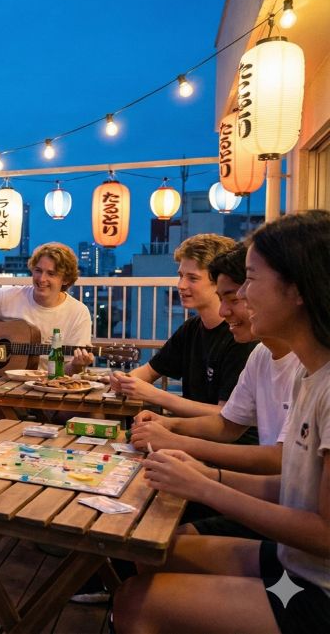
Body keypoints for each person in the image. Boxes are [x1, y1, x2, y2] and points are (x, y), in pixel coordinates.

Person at [113, 210, 330, 634]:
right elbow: (292, 485)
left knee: (136, 604)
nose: (241, 297)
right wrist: (204, 472)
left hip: (315, 589)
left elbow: (324, 534)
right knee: (151, 553)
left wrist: (204, 486)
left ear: (298, 289)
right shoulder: (309, 372)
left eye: (250, 281)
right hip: (292, 560)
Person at [130, 244, 301, 476]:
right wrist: (167, 424)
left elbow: (281, 461)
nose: (223, 312)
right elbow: (227, 424)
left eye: (236, 299)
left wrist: (178, 442)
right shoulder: (261, 354)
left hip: (248, 469)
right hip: (259, 482)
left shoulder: (311, 365)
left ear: (294, 292)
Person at [110, 234, 258, 420]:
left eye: (192, 278)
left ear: (219, 280)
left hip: (216, 437)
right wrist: (124, 380)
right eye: (180, 276)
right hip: (189, 430)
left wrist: (155, 395)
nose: (181, 285)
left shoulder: (241, 335)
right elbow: (149, 371)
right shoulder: (191, 328)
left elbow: (227, 416)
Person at [0, 242, 94, 427]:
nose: (42, 278)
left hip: (49, 386)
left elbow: (68, 372)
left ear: (65, 279)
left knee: (82, 414)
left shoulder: (78, 312)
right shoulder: (10, 295)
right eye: (38, 271)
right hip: (3, 383)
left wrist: (77, 365)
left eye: (51, 273)